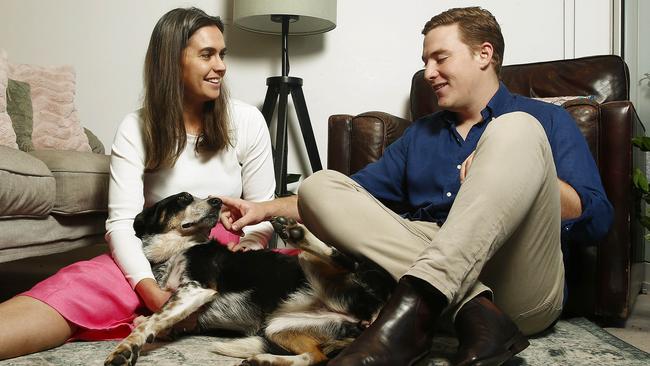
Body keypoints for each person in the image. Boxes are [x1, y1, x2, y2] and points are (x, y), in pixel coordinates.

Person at [219, 6, 613, 366]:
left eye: (440, 58)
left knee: (514, 131)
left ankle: (415, 314)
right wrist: (267, 209)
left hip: (518, 286)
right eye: (425, 61)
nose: (428, 72)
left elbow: (597, 220)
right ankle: (473, 312)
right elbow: (349, 196)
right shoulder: (420, 136)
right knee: (319, 186)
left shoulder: (541, 120)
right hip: (434, 293)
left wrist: (519, 169)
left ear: (484, 54)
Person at [0, 7, 275, 360]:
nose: (221, 65)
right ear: (171, 61)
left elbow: (262, 209)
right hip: (156, 256)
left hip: (221, 261)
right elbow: (120, 223)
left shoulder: (248, 120)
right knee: (70, 289)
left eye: (222, 54)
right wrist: (149, 291)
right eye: (207, 54)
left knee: (307, 283)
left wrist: (251, 245)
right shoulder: (135, 127)